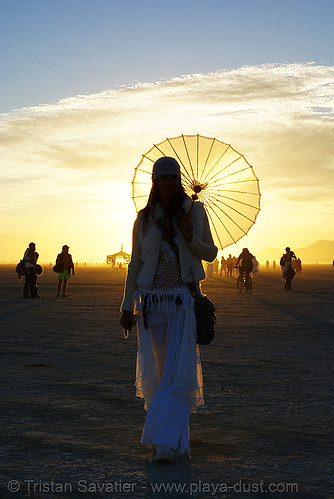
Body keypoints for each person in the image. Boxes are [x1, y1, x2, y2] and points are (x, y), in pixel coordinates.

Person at [120, 156, 217, 463]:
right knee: (161, 373)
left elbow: (211, 253)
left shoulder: (195, 211)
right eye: (163, 178)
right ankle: (179, 441)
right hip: (149, 302)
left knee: (177, 370)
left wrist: (190, 237)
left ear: (179, 181)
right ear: (155, 181)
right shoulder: (143, 218)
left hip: (182, 300)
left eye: (174, 177)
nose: (169, 183)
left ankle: (162, 443)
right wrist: (126, 306)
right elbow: (135, 264)